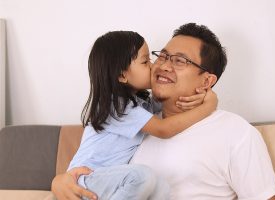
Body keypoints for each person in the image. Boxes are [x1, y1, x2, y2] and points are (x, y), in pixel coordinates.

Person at [52, 23, 275, 200]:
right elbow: (95, 171)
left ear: (207, 81)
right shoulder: (141, 124)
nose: (162, 66)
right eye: (161, 56)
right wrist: (59, 181)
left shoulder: (236, 132)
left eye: (180, 61)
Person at [54, 30, 217, 200]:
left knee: (162, 188)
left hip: (111, 181)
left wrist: (204, 93)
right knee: (142, 177)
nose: (154, 66)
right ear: (122, 75)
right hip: (85, 180)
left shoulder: (141, 103)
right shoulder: (115, 106)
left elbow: (170, 99)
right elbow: (163, 129)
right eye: (145, 62)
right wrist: (208, 106)